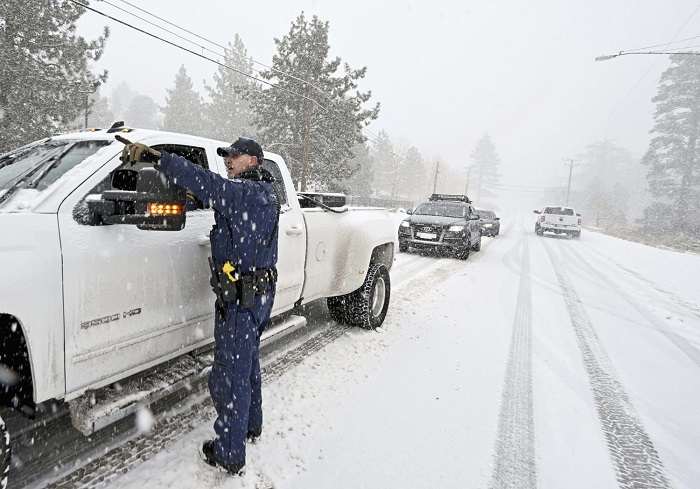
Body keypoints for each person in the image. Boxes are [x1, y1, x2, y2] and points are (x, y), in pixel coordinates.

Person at [120, 137, 280, 475]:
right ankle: (251, 426)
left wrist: (160, 159)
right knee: (247, 363)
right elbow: (219, 200)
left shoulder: (243, 195)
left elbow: (207, 183)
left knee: (229, 375)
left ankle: (228, 452)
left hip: (240, 300)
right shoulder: (262, 194)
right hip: (258, 295)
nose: (228, 160)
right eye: (226, 156)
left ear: (253, 160)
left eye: (235, 156)